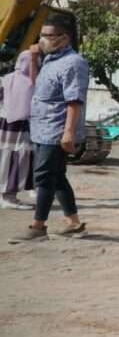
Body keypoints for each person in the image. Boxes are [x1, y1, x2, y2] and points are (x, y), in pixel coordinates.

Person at [13, 12, 89, 243]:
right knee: (56, 176)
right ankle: (73, 222)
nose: (42, 40)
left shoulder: (74, 63)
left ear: (64, 38)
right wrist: (35, 60)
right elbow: (39, 87)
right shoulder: (51, 60)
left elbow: (74, 100)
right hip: (42, 127)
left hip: (56, 130)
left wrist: (68, 133)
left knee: (44, 177)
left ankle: (38, 227)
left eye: (48, 35)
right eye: (41, 35)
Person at [1, 50, 37, 209]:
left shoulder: (5, 80)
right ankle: (8, 197)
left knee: (5, 158)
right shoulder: (32, 82)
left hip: (4, 124)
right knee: (15, 159)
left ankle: (6, 196)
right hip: (20, 126)